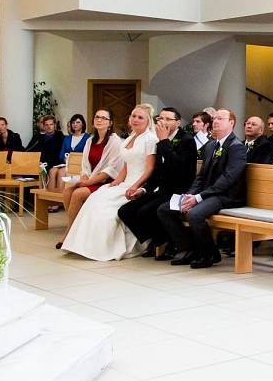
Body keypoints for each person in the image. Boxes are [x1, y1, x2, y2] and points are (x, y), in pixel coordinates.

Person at [60, 104, 157, 260]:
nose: (135, 119)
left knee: (103, 210)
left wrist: (134, 185)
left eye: (140, 117)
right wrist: (116, 182)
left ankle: (102, 248)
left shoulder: (150, 139)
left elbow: (150, 169)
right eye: (133, 116)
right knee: (95, 199)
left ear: (148, 121)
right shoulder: (130, 138)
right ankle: (78, 243)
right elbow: (126, 165)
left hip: (139, 184)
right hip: (124, 182)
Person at [157, 108, 247, 268]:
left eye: (221, 118)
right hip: (207, 194)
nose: (216, 121)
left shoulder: (236, 146)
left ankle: (210, 254)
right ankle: (188, 248)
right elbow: (201, 176)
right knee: (165, 209)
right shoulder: (211, 145)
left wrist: (198, 198)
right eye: (215, 118)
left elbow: (228, 179)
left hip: (226, 196)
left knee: (194, 214)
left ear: (231, 123)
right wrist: (190, 194)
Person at [122, 108, 193, 257]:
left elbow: (177, 167)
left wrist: (164, 141)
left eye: (168, 119)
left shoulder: (186, 140)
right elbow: (157, 172)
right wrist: (143, 190)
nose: (163, 122)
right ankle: (159, 240)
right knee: (125, 211)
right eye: (160, 119)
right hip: (162, 189)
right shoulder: (160, 140)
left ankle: (173, 243)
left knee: (146, 211)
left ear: (178, 123)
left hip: (179, 190)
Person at [57, 108, 118, 240]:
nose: (99, 120)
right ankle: (75, 227)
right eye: (97, 117)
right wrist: (84, 177)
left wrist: (88, 182)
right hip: (89, 179)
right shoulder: (90, 140)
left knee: (78, 193)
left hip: (105, 182)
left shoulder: (114, 141)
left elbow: (111, 170)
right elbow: (85, 165)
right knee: (68, 191)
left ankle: (69, 233)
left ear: (110, 123)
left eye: (103, 118)